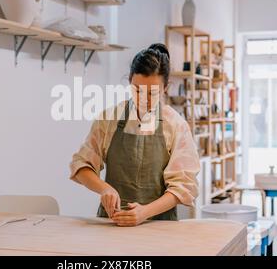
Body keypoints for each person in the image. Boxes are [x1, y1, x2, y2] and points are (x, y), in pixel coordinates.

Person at [69, 43, 200, 227]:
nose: (143, 99)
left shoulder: (176, 125)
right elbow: (81, 165)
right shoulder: (109, 119)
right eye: (137, 90)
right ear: (130, 80)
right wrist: (104, 188)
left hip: (158, 226)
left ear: (165, 88)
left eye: (152, 93)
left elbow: (184, 186)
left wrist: (144, 213)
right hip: (112, 223)